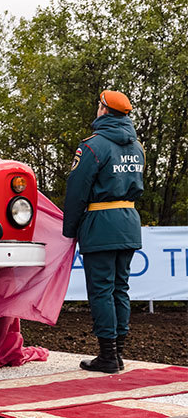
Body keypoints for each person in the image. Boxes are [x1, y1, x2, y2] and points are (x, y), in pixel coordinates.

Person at [63, 90, 144, 374]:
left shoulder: (93, 146)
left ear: (104, 111)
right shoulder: (138, 148)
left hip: (100, 224)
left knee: (101, 291)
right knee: (121, 289)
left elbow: (77, 191)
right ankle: (118, 353)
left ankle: (108, 356)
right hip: (129, 222)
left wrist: (69, 229)